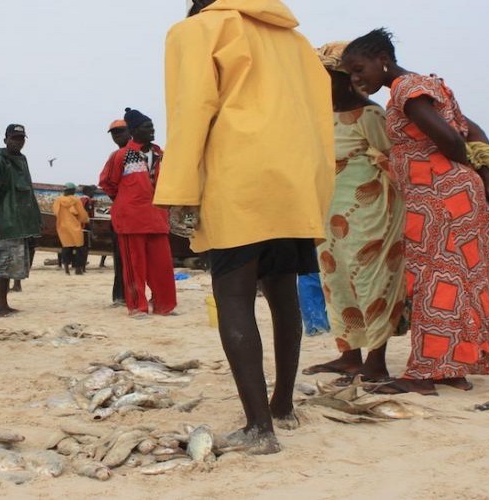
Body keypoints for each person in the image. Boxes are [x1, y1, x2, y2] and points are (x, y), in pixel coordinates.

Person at [154, 0, 335, 453]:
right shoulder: (296, 42)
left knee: (233, 296)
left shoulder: (196, 30)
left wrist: (178, 189)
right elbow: (318, 119)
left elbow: (192, 107)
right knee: (283, 292)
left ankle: (260, 429)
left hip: (238, 176)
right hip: (294, 179)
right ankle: (282, 406)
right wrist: (314, 189)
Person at [341, 28, 489, 396]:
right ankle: (453, 369)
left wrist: (465, 165)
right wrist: (482, 169)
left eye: (360, 69)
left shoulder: (407, 91)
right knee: (459, 282)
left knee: (433, 283)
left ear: (383, 59)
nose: (357, 79)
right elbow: (473, 129)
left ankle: (424, 374)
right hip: (456, 196)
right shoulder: (430, 84)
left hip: (439, 200)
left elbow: (454, 139)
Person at [302, 41, 405, 382]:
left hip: (370, 214)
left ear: (343, 78)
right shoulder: (319, 117)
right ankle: (349, 356)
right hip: (329, 213)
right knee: (337, 283)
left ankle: (376, 361)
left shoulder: (371, 115)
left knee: (372, 283)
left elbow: (394, 158)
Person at [99, 108, 176, 317]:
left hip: (158, 218)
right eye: (146, 127)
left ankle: (164, 305)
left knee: (162, 266)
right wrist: (126, 201)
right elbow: (107, 183)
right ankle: (137, 307)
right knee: (135, 265)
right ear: (134, 131)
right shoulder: (121, 156)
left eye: (152, 127)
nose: (152, 130)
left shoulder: (160, 154)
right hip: (131, 220)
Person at [0, 124, 42, 317]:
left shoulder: (21, 159)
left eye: (21, 138)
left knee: (10, 263)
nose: (18, 141)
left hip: (20, 220)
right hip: (5, 218)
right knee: (2, 261)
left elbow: (27, 190)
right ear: (5, 139)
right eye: (14, 138)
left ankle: (4, 304)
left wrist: (36, 217)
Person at [99, 119, 130, 304]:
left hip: (140, 213)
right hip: (123, 216)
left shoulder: (143, 153)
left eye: (121, 131)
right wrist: (122, 200)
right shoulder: (116, 156)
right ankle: (121, 296)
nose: (117, 136)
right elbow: (106, 183)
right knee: (121, 257)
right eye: (114, 133)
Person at [53, 182, 89, 274]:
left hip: (62, 227)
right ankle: (78, 269)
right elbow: (82, 214)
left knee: (66, 247)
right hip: (74, 226)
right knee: (79, 247)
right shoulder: (76, 200)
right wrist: (84, 220)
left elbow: (55, 212)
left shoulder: (58, 200)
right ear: (72, 190)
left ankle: (66, 270)